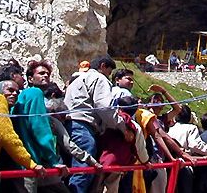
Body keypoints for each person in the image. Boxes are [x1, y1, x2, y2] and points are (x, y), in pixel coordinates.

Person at [64, 55, 127, 193]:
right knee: (84, 170)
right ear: (103, 66)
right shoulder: (99, 79)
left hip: (69, 125)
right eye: (109, 71)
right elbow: (104, 107)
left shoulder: (76, 80)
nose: (109, 75)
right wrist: (121, 126)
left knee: (75, 168)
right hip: (84, 126)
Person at [13, 61, 69, 192]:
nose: (46, 76)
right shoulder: (35, 93)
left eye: (48, 74)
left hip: (21, 158)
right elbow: (39, 127)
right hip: (31, 160)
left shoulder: (23, 95)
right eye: (41, 73)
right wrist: (53, 160)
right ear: (30, 78)